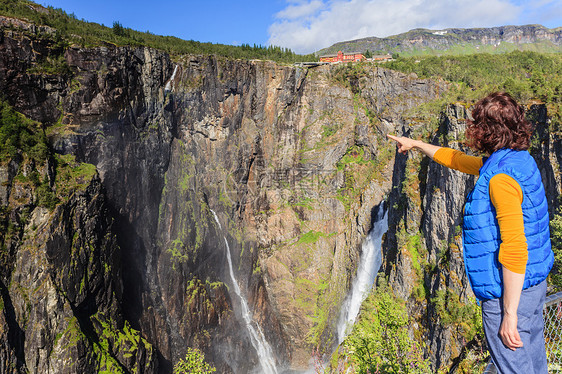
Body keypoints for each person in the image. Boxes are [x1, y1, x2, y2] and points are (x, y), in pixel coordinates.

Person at [387, 92, 554, 374]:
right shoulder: (516, 161)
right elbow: (458, 160)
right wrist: (415, 144)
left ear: (486, 131)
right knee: (535, 361)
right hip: (534, 286)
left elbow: (514, 248)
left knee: (513, 367)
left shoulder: (500, 179)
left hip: (508, 295)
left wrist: (509, 314)